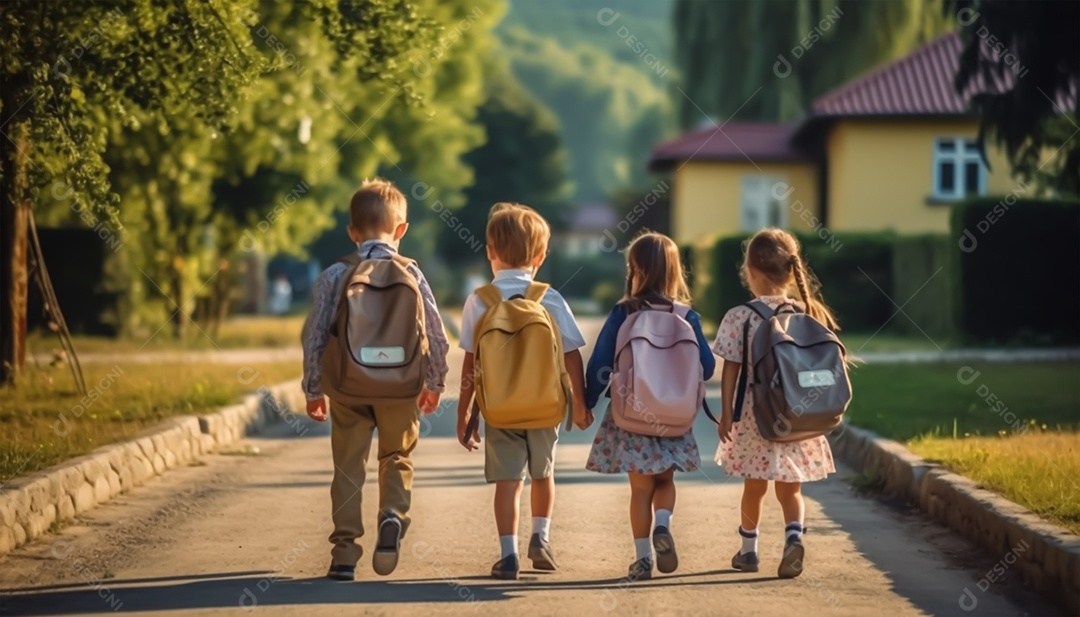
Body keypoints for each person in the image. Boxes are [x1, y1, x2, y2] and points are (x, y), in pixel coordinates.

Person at [301, 178, 449, 581]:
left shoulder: (336, 274)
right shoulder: (412, 273)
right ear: (401, 230)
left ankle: (345, 554)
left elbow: (316, 334)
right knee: (396, 457)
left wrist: (314, 388)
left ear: (352, 232)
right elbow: (434, 332)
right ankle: (392, 514)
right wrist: (435, 381)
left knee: (348, 467)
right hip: (400, 385)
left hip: (348, 384)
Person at [455, 202, 591, 580]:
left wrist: (464, 412)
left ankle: (508, 554)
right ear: (541, 255)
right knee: (543, 474)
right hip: (546, 405)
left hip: (499, 409)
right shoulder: (549, 298)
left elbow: (470, 364)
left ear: (490, 252)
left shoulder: (479, 301)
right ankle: (541, 539)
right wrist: (579, 404)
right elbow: (571, 356)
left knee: (508, 481)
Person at [583, 232, 715, 581]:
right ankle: (663, 524)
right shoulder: (688, 316)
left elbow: (600, 363)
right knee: (664, 483)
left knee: (640, 489)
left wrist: (588, 400)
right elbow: (708, 366)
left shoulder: (624, 312)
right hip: (674, 417)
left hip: (632, 417)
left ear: (634, 269)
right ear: (675, 271)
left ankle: (642, 561)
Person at [714, 227, 838, 579]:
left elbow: (730, 372)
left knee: (754, 487)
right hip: (798, 414)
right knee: (791, 489)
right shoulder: (807, 312)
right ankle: (793, 538)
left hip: (757, 417)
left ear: (750, 271)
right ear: (789, 271)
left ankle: (748, 551)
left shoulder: (740, 316)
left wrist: (727, 413)